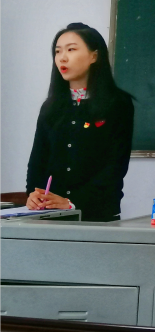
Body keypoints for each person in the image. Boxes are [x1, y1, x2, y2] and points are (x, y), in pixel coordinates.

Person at [25, 23, 134, 221]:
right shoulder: (50, 107)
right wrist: (34, 195)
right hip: (50, 216)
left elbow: (115, 167)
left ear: (94, 56)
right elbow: (37, 162)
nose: (62, 58)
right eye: (58, 51)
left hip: (96, 215)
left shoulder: (117, 104)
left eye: (71, 49)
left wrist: (72, 202)